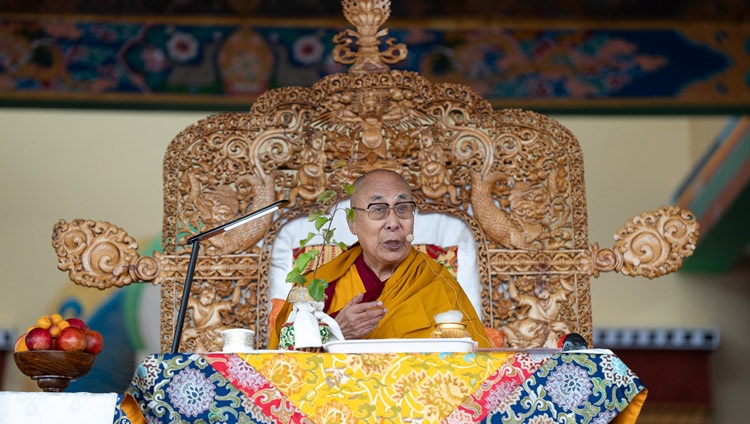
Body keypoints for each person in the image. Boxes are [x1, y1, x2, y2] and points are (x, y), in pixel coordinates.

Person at [269, 169, 490, 348]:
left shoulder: (437, 283)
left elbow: (476, 362)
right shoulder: (317, 286)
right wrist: (334, 331)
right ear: (352, 222)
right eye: (378, 209)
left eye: (402, 208)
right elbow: (281, 368)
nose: (393, 222)